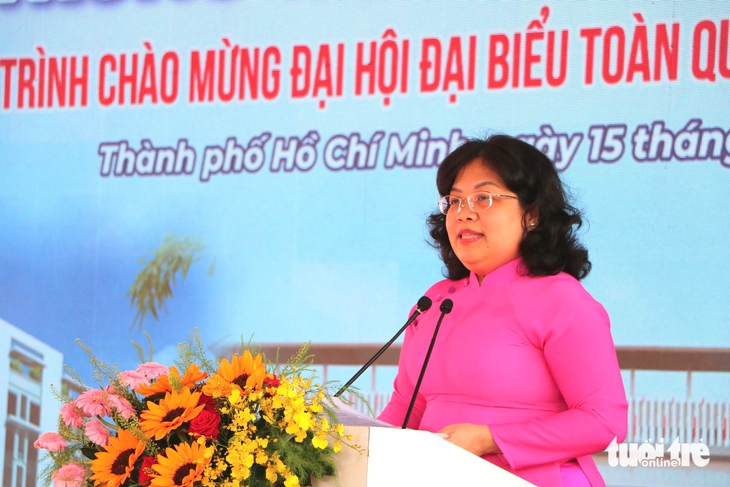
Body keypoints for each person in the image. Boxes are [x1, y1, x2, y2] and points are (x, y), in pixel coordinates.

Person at [378, 135, 628, 487]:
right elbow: (407, 408)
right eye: (454, 201)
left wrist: (488, 439)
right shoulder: (433, 302)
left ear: (532, 215)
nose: (464, 212)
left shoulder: (562, 300)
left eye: (484, 197)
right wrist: (348, 447)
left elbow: (603, 421)